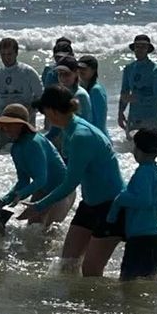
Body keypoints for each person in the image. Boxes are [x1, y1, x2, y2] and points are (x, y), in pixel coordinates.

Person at [28, 86, 127, 274]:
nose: (44, 116)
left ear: (53, 110)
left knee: (91, 270)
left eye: (44, 111)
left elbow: (70, 183)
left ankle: (101, 304)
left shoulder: (81, 135)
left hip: (110, 206)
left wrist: (39, 206)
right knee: (67, 264)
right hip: (89, 204)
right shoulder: (68, 127)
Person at [0, 102, 70, 227]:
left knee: (48, 229)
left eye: (10, 124)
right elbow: (23, 181)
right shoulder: (15, 149)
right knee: (32, 228)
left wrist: (21, 194)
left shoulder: (34, 143)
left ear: (22, 125)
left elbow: (41, 179)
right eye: (4, 125)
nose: (6, 129)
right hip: (42, 189)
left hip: (62, 190)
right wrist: (3, 201)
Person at [107, 128, 157, 281]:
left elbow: (143, 200)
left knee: (127, 282)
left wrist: (120, 199)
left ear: (138, 150)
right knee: (149, 281)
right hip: (156, 236)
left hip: (141, 237)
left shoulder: (143, 172)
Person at [0, 38, 44, 150]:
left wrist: (29, 111)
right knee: (1, 157)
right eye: (3, 54)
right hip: (3, 126)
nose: (6, 58)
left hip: (24, 125)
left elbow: (41, 97)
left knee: (26, 156)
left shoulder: (28, 72)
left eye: (9, 54)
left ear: (16, 53)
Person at [118, 33, 157, 134]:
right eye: (137, 46)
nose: (139, 49)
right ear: (134, 48)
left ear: (148, 49)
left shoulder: (156, 70)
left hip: (150, 119)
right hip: (133, 118)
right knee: (130, 148)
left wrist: (138, 98)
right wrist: (120, 112)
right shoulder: (129, 69)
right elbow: (124, 93)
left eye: (143, 47)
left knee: (149, 148)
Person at [75, 55, 111, 136]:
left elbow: (100, 121)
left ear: (93, 70)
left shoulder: (96, 90)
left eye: (84, 68)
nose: (80, 71)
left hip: (97, 137)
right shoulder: (82, 88)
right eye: (79, 68)